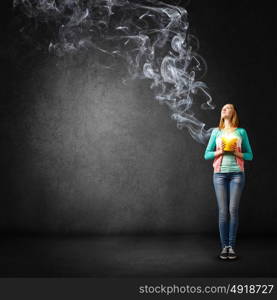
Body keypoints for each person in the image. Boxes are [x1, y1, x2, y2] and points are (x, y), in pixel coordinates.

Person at [204, 103, 253, 260]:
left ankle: (231, 247)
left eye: (229, 107)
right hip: (219, 174)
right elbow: (206, 155)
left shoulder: (241, 132)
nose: (225, 109)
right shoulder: (216, 132)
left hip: (237, 174)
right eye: (223, 108)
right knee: (223, 212)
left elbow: (250, 155)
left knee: (233, 210)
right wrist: (220, 151)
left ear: (234, 113)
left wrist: (236, 153)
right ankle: (224, 247)